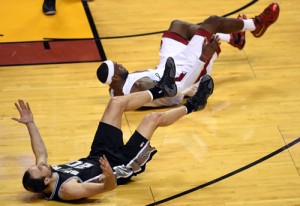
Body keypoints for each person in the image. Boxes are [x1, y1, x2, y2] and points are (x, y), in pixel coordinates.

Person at [12, 58, 214, 201]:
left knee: (116, 103)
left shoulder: (45, 174)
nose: (41, 164)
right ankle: (195, 104)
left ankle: (162, 89)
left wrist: (30, 123)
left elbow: (40, 153)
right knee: (152, 118)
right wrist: (109, 175)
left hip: (98, 154)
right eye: (40, 168)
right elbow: (107, 188)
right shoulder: (67, 189)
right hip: (120, 164)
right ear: (46, 180)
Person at [97, 2, 280, 107]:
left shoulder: (115, 90)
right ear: (114, 76)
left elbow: (118, 92)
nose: (121, 64)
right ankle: (256, 25)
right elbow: (176, 88)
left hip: (167, 68)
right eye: (118, 66)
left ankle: (234, 38)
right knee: (212, 23)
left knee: (178, 26)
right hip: (185, 75)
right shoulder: (139, 86)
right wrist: (202, 58)